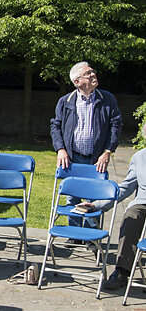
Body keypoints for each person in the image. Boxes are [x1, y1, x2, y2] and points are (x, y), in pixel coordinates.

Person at [51, 62, 122, 227]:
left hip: (96, 159)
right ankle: (74, 235)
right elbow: (55, 126)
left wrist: (108, 151)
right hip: (72, 157)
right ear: (77, 81)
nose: (93, 75)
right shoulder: (65, 101)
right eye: (88, 73)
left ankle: (91, 236)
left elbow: (116, 126)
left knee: (94, 198)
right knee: (72, 197)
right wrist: (60, 149)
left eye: (92, 72)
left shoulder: (107, 99)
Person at [77, 141, 146, 290]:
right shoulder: (139, 157)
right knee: (131, 216)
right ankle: (122, 272)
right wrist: (97, 205)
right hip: (143, 203)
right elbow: (125, 188)